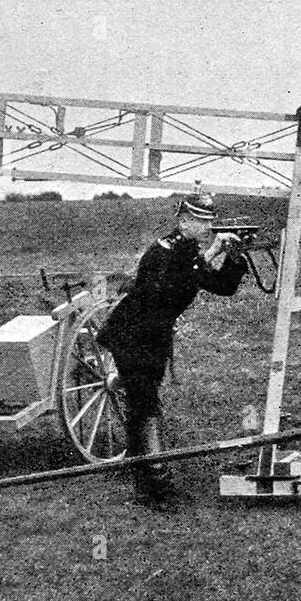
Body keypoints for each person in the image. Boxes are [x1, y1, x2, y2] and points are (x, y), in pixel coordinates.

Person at [96, 190, 246, 502]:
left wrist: (235, 257)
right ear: (183, 221)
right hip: (132, 336)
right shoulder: (161, 251)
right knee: (145, 406)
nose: (208, 228)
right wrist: (211, 254)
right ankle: (157, 486)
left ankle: (146, 473)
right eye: (200, 221)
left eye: (211, 222)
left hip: (152, 338)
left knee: (143, 404)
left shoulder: (188, 250)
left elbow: (222, 286)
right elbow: (164, 294)